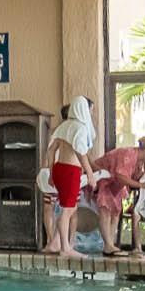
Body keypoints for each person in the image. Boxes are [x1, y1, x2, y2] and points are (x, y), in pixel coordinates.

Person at [43, 96, 99, 257]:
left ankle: (55, 243)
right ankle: (65, 248)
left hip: (59, 169)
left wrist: (51, 172)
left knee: (69, 208)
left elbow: (51, 150)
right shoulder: (80, 128)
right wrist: (90, 174)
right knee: (67, 211)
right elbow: (81, 152)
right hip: (71, 171)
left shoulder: (64, 126)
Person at [91, 137, 145, 257]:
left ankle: (110, 244)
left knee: (115, 213)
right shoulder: (129, 154)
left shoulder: (140, 161)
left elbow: (135, 176)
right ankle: (108, 244)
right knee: (105, 210)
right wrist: (141, 185)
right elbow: (120, 176)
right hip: (103, 177)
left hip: (114, 184)